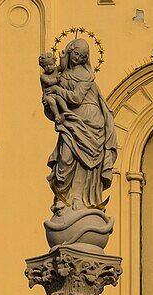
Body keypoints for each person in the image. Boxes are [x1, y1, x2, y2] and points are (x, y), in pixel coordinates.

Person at [43, 38, 117, 211]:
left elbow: (76, 98)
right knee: (66, 158)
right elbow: (51, 93)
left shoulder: (86, 75)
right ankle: (63, 197)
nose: (79, 58)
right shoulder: (63, 74)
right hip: (71, 120)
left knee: (88, 163)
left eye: (83, 55)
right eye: (76, 54)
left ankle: (82, 199)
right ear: (69, 52)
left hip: (90, 120)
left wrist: (56, 90)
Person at [38, 52, 64, 122]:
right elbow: (49, 82)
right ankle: (57, 115)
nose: (49, 67)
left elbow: (62, 66)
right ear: (42, 66)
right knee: (52, 102)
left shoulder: (56, 70)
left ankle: (66, 110)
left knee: (60, 99)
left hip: (56, 94)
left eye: (51, 64)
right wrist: (56, 80)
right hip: (47, 95)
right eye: (46, 65)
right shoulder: (43, 76)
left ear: (54, 63)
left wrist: (62, 58)